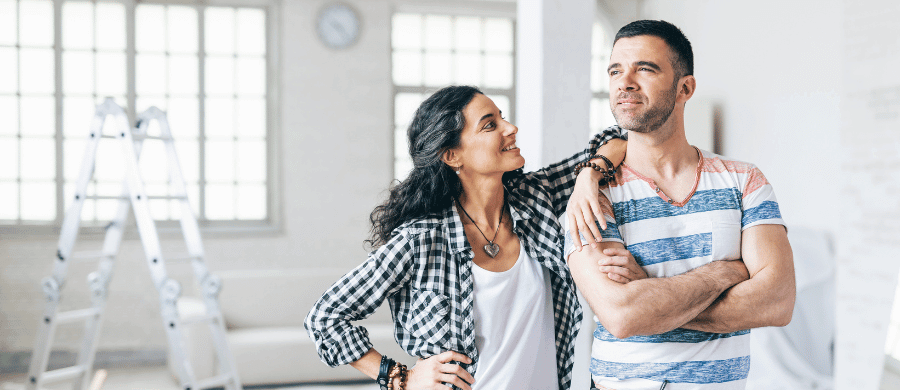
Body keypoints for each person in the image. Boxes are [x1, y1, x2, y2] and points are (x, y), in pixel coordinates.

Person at [305, 85, 628, 390]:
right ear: (452, 156)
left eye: (502, 116)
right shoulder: (421, 240)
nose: (510, 127)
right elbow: (326, 317)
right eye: (490, 125)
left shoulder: (534, 199)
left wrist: (589, 175)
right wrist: (399, 378)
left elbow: (618, 141)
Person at [565, 20, 796, 390]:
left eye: (645, 68)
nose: (625, 82)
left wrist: (651, 295)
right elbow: (622, 315)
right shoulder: (593, 195)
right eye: (615, 71)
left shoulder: (744, 181)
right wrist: (725, 273)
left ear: (684, 88)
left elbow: (777, 302)